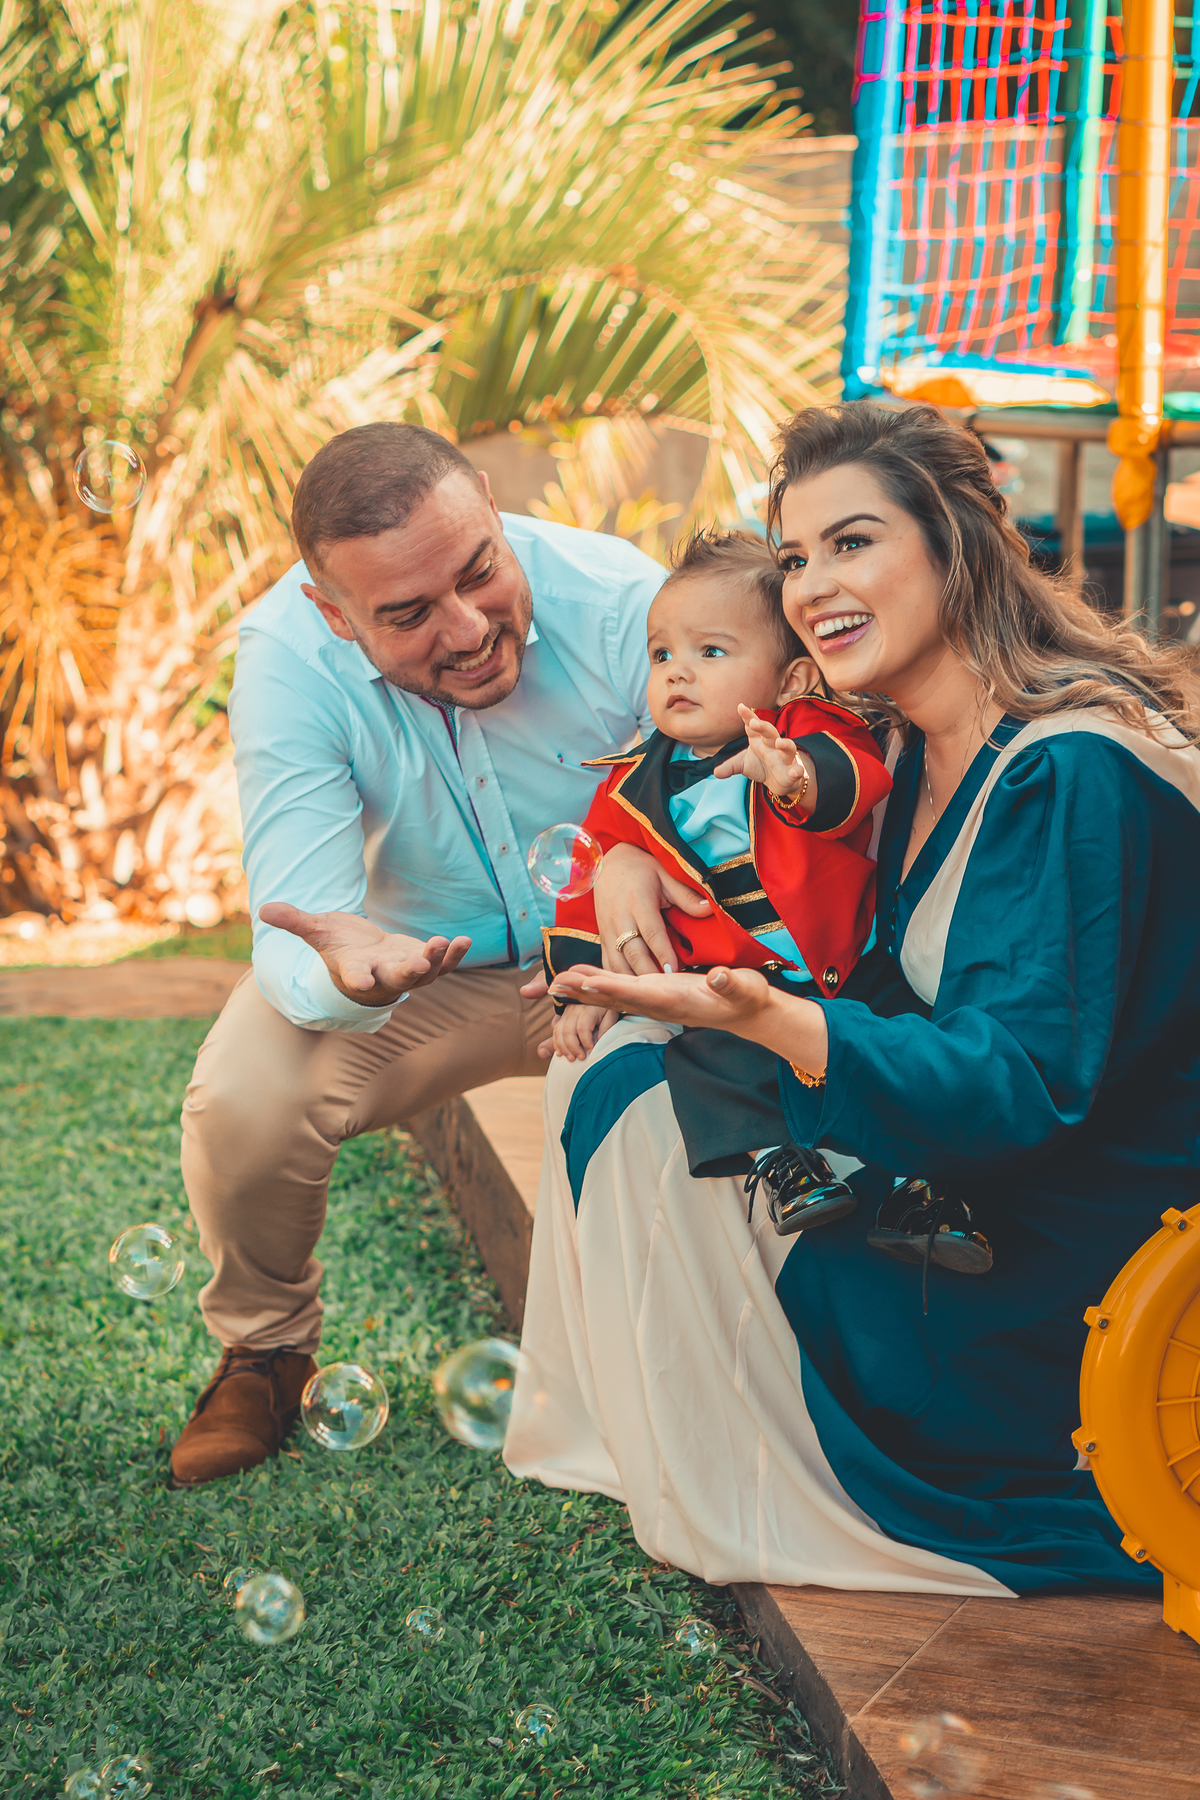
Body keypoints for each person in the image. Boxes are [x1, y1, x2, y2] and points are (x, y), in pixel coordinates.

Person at [504, 400, 1200, 1598]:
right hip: (962, 1171)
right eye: (794, 556)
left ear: (958, 542)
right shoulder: (896, 750)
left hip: (1063, 1261)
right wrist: (624, 867)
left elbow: (1023, 1088)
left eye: (853, 542)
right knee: (618, 1058)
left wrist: (770, 1025)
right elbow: (703, 839)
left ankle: (768, 1458)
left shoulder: (1075, 766)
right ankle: (670, 1431)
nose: (812, 584)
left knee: (651, 1102)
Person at [171, 421, 682, 1487]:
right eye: (406, 615)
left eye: (479, 571)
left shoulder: (623, 603)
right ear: (335, 615)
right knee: (247, 1097)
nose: (467, 628)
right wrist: (346, 973)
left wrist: (641, 865)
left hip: (633, 951)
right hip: (426, 970)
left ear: (492, 509)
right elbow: (299, 920)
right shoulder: (289, 659)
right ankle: (264, 1351)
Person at [543, 527, 893, 1233]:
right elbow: (584, 885)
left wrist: (791, 776)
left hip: (846, 961)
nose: (677, 672)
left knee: (900, 1040)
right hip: (727, 984)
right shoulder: (630, 785)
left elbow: (853, 781)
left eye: (711, 652)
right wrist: (579, 992)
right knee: (705, 1057)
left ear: (788, 677)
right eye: (661, 653)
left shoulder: (799, 734)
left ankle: (925, 1183)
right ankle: (781, 1165)